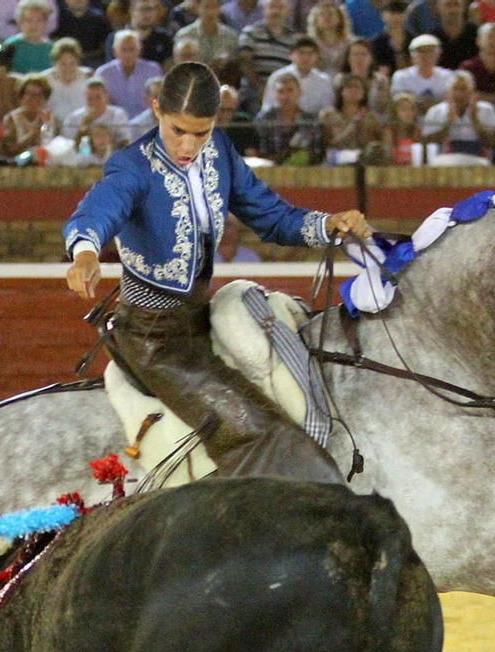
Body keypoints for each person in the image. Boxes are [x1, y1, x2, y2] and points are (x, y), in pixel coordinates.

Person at [63, 60, 367, 482]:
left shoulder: (220, 151)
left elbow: (270, 216)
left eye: (200, 132)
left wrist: (325, 224)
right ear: (156, 110)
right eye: (177, 131)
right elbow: (97, 210)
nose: (188, 145)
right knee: (260, 431)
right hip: (154, 340)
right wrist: (85, 251)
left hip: (199, 320)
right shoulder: (132, 166)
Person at [420, 68, 495, 155]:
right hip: (445, 161)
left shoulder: (487, 110)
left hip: (478, 160)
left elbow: (492, 143)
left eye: (463, 89)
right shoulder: (435, 111)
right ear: (448, 92)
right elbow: (427, 145)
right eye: (455, 89)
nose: (459, 94)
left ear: (472, 91)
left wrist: (475, 120)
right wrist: (448, 124)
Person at [97, 28, 160, 115]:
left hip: (146, 122)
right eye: (123, 50)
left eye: (132, 49)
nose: (128, 54)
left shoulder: (153, 70)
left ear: (139, 50)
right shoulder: (103, 73)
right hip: (115, 122)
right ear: (115, 51)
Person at [389, 33, 453, 104]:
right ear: (412, 55)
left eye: (430, 51)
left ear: (438, 54)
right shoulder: (402, 77)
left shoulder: (448, 77)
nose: (426, 56)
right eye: (421, 51)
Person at [4, 0, 53, 72]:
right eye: (29, 20)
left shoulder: (51, 48)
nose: (34, 25)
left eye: (39, 20)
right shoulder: (11, 45)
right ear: (20, 22)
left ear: (45, 22)